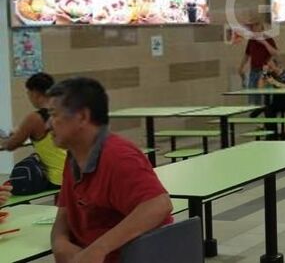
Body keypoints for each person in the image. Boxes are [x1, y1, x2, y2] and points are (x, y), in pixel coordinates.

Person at [48, 77, 173, 263]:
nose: (48, 124)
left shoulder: (118, 156)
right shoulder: (74, 156)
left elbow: (159, 205)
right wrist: (60, 243)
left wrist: (98, 249)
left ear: (82, 117)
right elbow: (64, 214)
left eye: (54, 115)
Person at [1, 72, 67, 191]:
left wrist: (3, 139)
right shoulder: (65, 111)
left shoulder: (35, 118)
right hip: (76, 174)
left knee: (14, 183)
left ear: (35, 93)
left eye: (28, 93)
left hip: (58, 179)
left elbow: (11, 145)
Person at [238, 21, 278, 106]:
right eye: (253, 27)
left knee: (264, 95)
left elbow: (275, 53)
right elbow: (247, 55)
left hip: (264, 71)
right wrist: (241, 67)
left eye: (257, 26)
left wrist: (264, 42)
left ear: (262, 27)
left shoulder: (268, 39)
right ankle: (254, 109)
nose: (254, 28)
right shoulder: (251, 41)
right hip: (253, 70)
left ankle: (266, 110)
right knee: (253, 95)